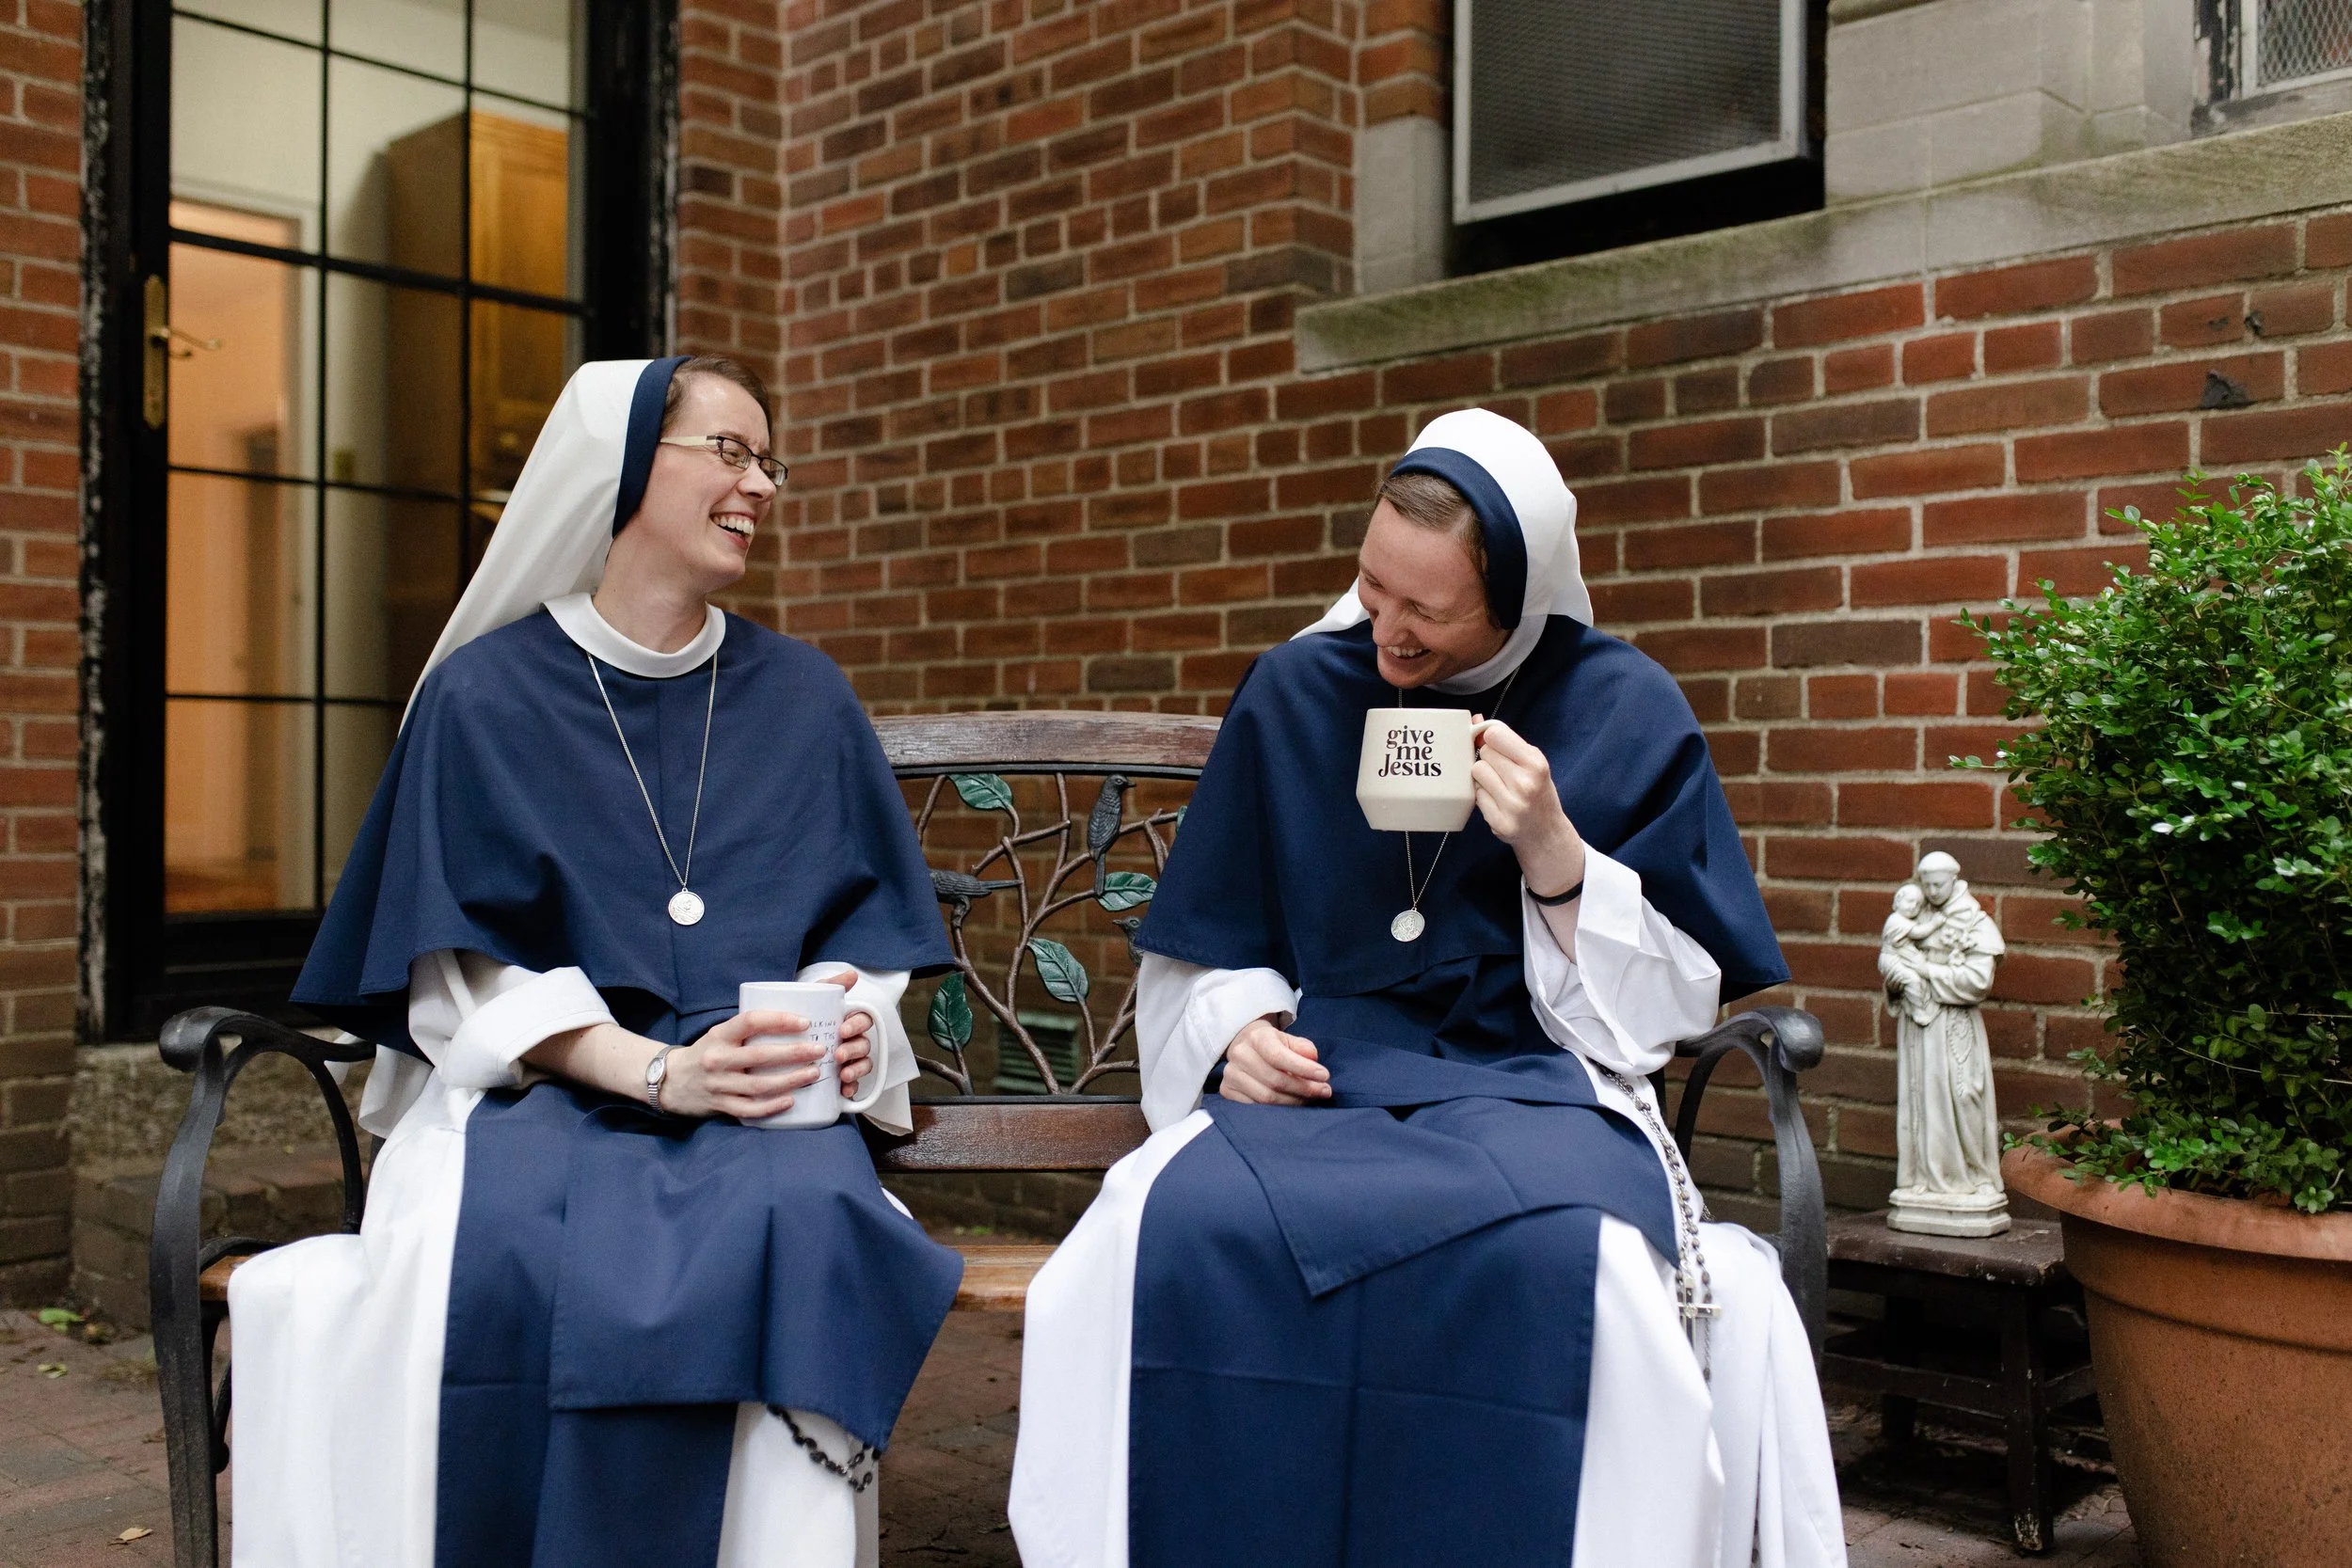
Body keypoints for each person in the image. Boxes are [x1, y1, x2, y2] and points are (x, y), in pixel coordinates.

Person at [1009, 409, 1847, 1568]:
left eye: (1427, 611)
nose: (1386, 633)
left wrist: (1555, 852)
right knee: (1160, 1229)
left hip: (1535, 1080)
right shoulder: (1298, 688)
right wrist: (1233, 1026)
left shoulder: (1621, 706)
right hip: (1324, 1078)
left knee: (1581, 1264)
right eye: (1372, 587)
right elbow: (1204, 938)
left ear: (1515, 598)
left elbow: (1667, 1014)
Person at [228, 356, 962, 1568]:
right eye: (728, 450)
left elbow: (863, 938)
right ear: (622, 467)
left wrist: (849, 1018)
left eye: (768, 460)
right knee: (506, 1248)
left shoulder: (805, 695)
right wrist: (659, 1072)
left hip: (761, 1096)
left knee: (806, 1211)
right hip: (543, 1085)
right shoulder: (483, 695)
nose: (759, 483)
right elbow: (462, 974)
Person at [1882, 851, 2008, 1223]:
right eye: (1928, 884)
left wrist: (1925, 969)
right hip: (1920, 1029)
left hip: (1955, 1025)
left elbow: (1977, 982)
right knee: (1924, 1098)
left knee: (1965, 1095)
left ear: (1954, 879)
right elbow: (1891, 960)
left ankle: (1976, 1176)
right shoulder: (1913, 916)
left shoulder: (1976, 922)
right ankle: (1926, 1178)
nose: (1933, 891)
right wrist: (1896, 981)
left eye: (1939, 884)